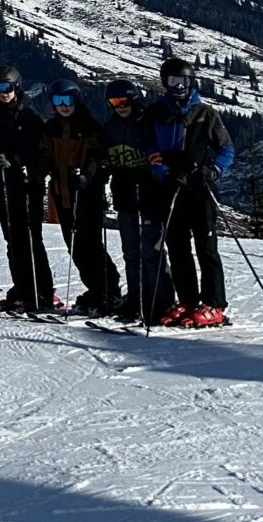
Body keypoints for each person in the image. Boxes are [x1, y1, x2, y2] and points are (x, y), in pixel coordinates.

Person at [151, 55, 235, 328]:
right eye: (173, 80)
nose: (178, 86)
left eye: (184, 81)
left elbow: (226, 149)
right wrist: (164, 173)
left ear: (191, 82)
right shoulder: (157, 114)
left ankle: (214, 304)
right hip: (171, 188)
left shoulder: (205, 114)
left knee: (206, 247)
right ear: (165, 82)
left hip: (200, 189)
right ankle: (188, 300)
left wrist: (214, 170)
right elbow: (151, 150)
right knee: (177, 248)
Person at [0, 65, 58, 312]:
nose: (3, 93)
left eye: (7, 87)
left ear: (16, 86)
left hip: (27, 183)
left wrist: (13, 160)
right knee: (11, 238)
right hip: (4, 182)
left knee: (30, 236)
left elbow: (38, 151)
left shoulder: (29, 117)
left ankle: (42, 290)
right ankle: (22, 287)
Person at [97, 78, 172, 322]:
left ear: (134, 99)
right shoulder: (110, 127)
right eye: (114, 102)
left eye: (124, 101)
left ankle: (159, 301)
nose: (120, 106)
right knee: (130, 251)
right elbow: (105, 156)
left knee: (152, 249)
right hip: (124, 193)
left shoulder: (147, 122)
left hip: (149, 193)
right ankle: (135, 299)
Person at [42, 80, 120, 313]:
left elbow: (99, 157)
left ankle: (108, 291)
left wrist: (87, 175)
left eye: (68, 100)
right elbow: (45, 156)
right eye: (59, 101)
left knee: (91, 245)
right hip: (63, 196)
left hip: (88, 196)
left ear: (76, 100)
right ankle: (95, 290)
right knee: (75, 247)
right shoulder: (51, 128)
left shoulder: (89, 126)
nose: (64, 106)